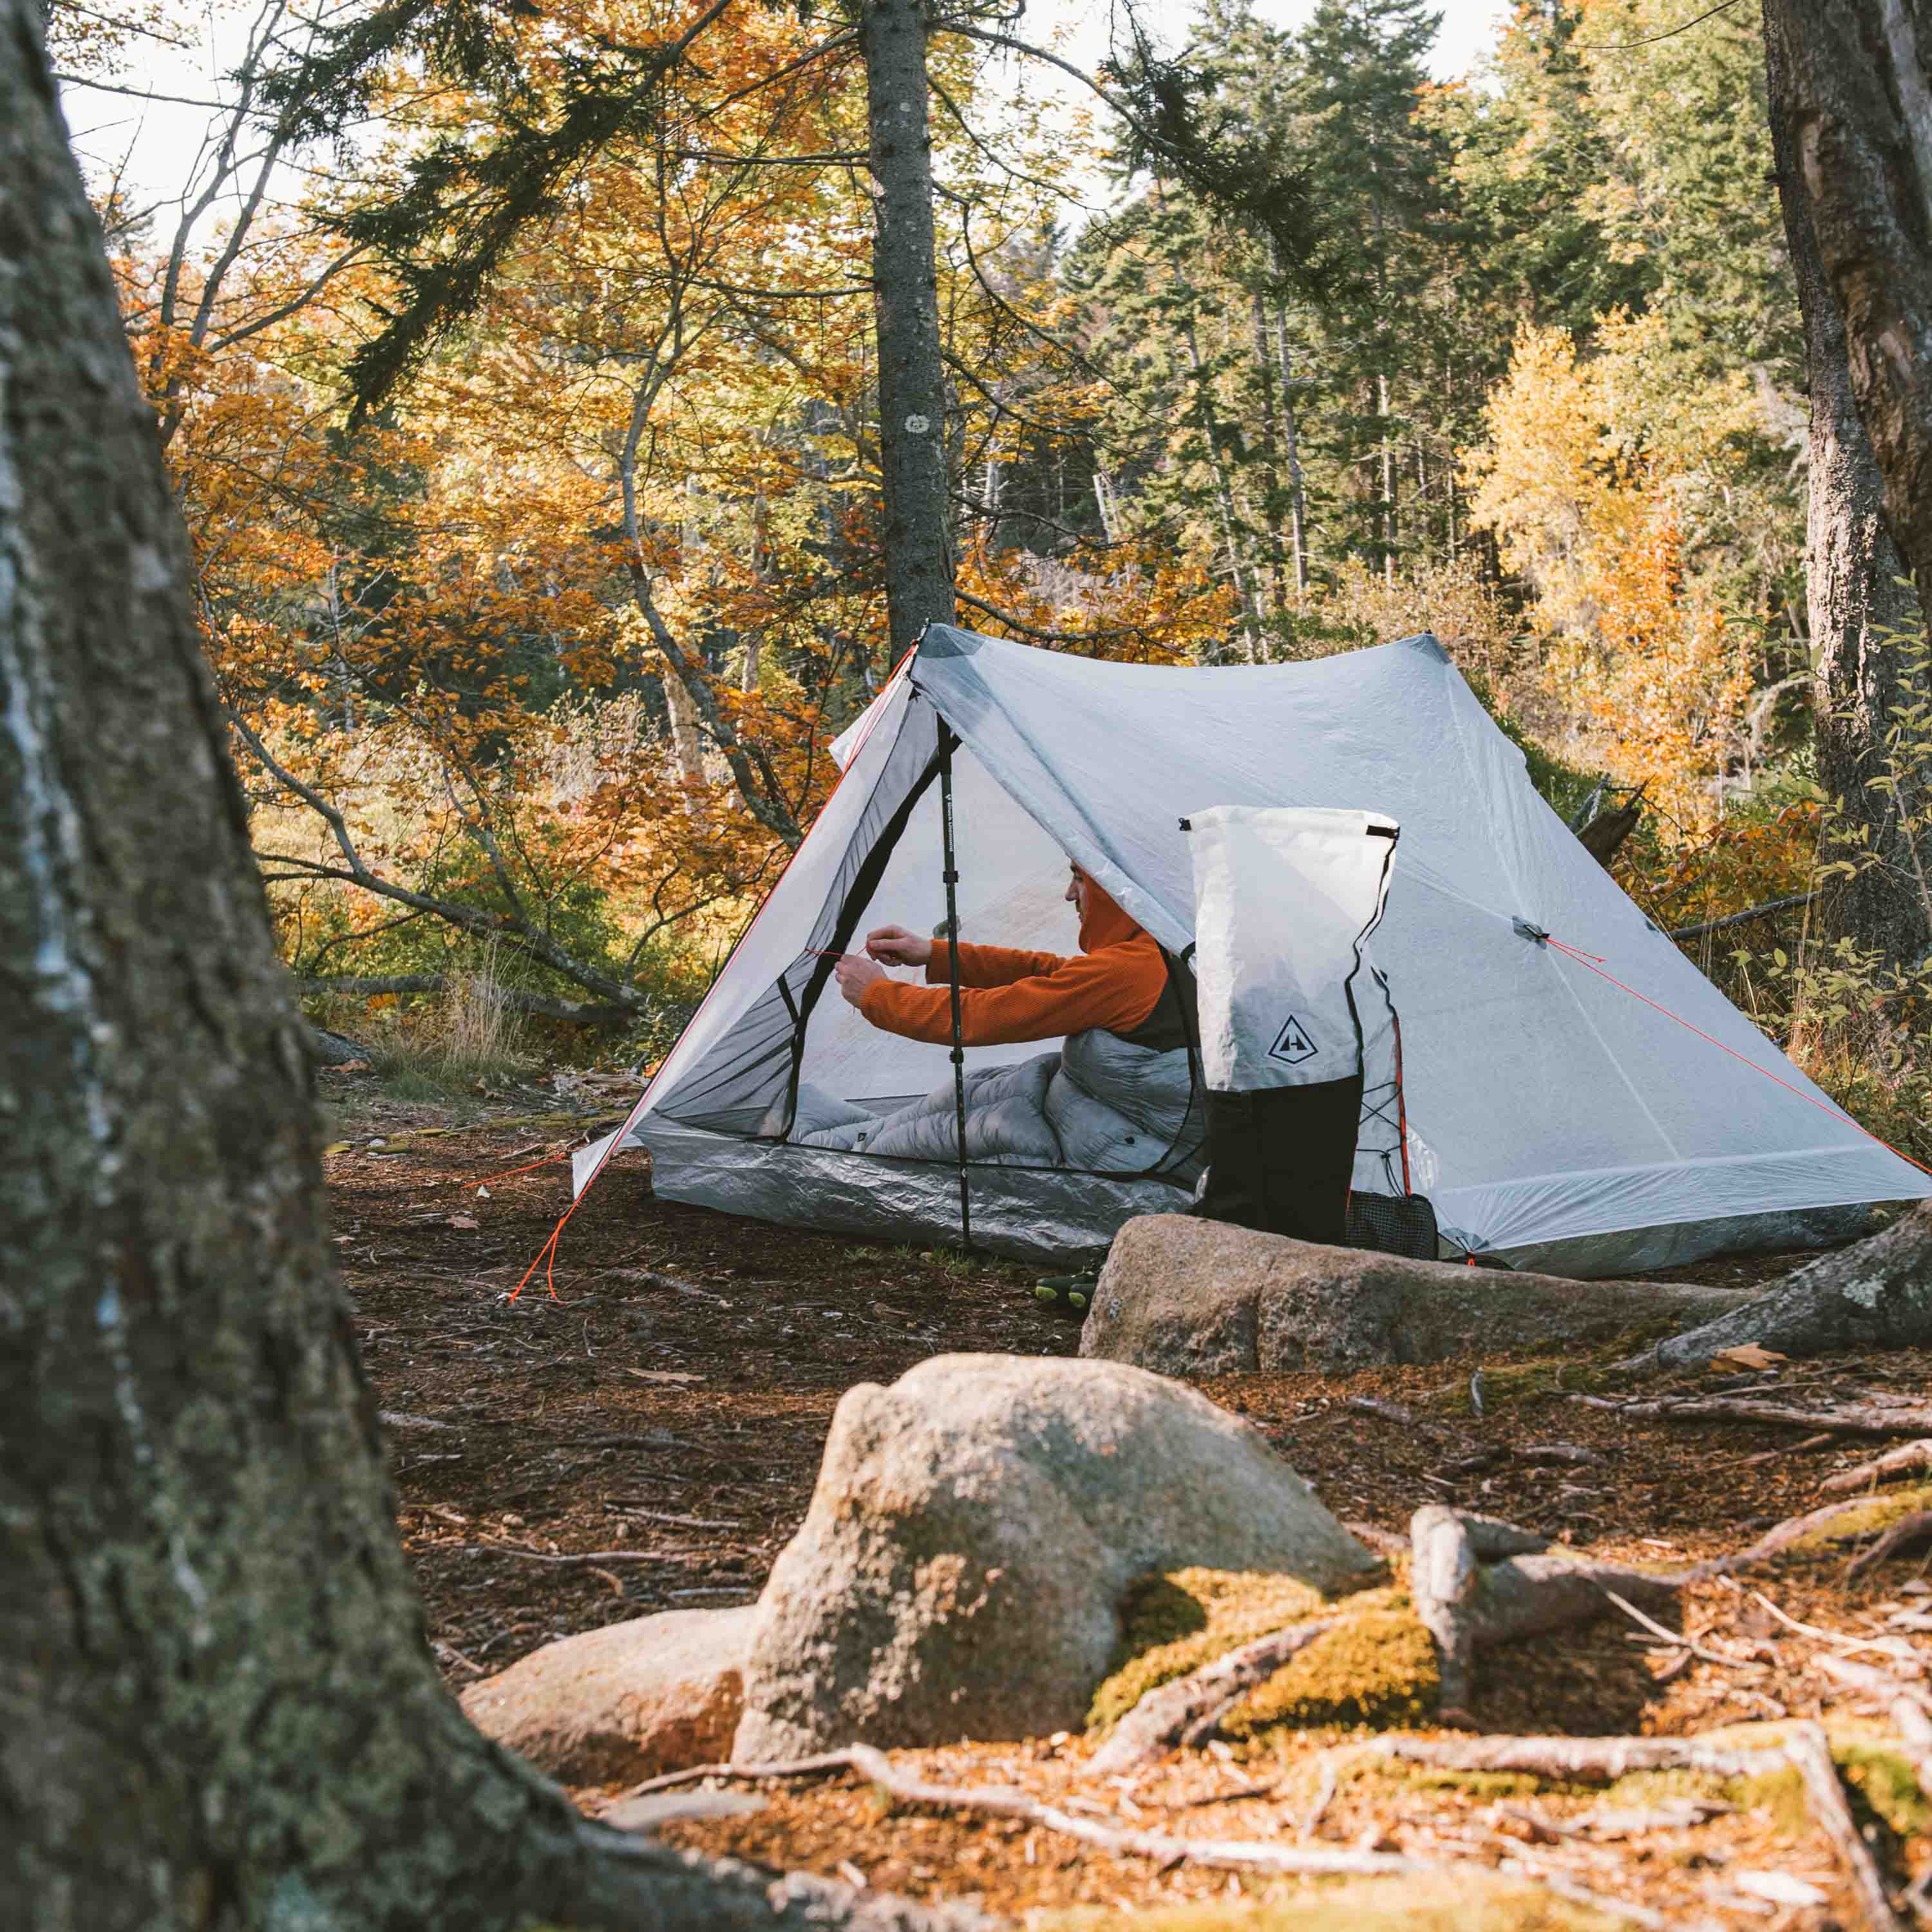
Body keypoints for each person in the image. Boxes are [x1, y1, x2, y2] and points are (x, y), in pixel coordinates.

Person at [831, 860, 1191, 1052]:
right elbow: (1051, 974)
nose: (1069, 895)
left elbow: (985, 1016)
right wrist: (933, 954)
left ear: (1115, 890)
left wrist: (877, 995)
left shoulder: (1128, 972)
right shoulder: (1155, 951)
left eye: (1080, 879)